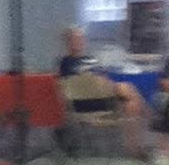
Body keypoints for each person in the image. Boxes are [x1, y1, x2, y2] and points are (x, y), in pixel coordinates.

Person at [58, 25, 147, 157]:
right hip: (83, 103)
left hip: (104, 98)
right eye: (75, 39)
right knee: (126, 88)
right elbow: (70, 85)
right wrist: (97, 81)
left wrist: (103, 82)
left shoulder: (91, 59)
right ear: (68, 42)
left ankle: (134, 148)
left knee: (131, 104)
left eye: (80, 38)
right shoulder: (66, 62)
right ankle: (146, 112)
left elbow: (104, 77)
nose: (79, 42)